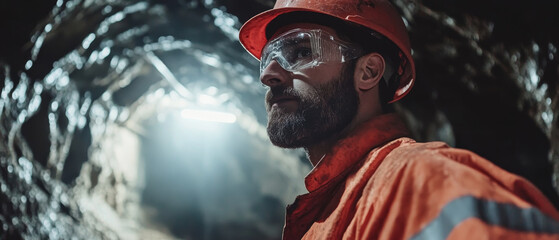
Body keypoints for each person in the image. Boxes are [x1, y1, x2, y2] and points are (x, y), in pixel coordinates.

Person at [238, 0, 559, 239]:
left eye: (300, 52)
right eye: (269, 58)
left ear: (368, 72)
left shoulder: (421, 180)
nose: (269, 74)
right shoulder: (327, 214)